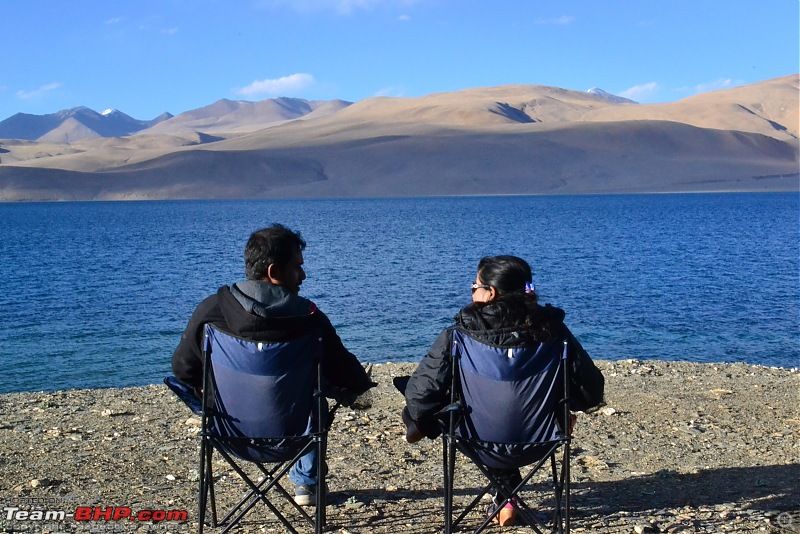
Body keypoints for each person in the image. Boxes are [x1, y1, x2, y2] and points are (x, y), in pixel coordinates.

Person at [172, 224, 375, 506]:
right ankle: (307, 484)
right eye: (297, 268)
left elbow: (182, 368)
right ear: (274, 273)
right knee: (315, 396)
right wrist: (354, 387)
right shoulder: (310, 318)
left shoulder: (212, 311)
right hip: (294, 436)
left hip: (230, 434)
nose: (303, 275)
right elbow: (349, 375)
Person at [401, 255, 604, 526]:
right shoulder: (555, 332)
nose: (472, 292)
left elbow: (420, 397)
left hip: (476, 438)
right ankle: (507, 498)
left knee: (446, 404)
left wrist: (429, 413)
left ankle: (505, 496)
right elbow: (592, 390)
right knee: (509, 406)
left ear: (491, 292)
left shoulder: (459, 335)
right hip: (541, 439)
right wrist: (559, 405)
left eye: (474, 287)